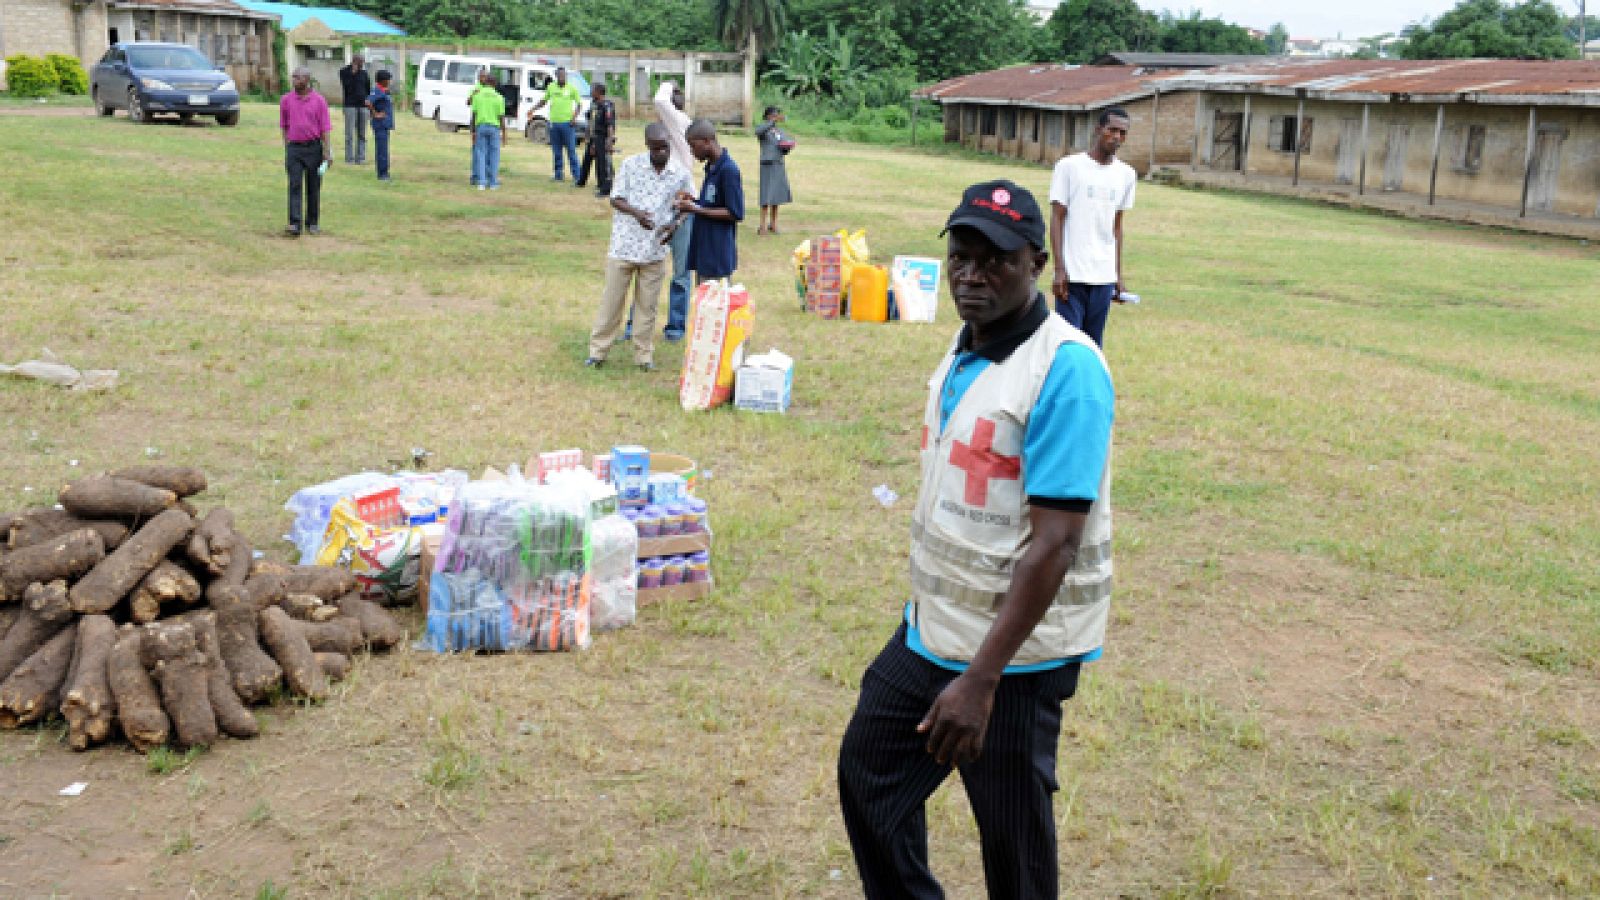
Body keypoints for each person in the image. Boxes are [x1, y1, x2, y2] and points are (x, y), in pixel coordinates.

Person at [837, 180, 1116, 900]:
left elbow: (1055, 543)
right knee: (870, 774)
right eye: (961, 257)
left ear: (1036, 261)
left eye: (995, 260)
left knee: (1013, 842)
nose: (972, 275)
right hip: (933, 636)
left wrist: (982, 681)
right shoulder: (966, 350)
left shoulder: (1067, 369)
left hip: (1013, 661)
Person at [584, 124, 693, 373]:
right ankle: (598, 351)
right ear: (648, 146)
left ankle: (643, 356)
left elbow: (688, 204)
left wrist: (675, 225)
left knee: (648, 307)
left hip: (655, 250)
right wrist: (636, 214)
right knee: (612, 302)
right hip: (624, 246)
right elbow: (616, 198)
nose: (661, 153)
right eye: (656, 148)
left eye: (665, 147)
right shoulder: (631, 166)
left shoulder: (680, 172)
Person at [1048, 107, 1136, 348]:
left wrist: (1117, 275)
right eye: (1112, 130)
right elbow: (1057, 218)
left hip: (1103, 276)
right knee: (1067, 344)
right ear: (1099, 130)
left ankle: (1088, 386)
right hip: (1073, 275)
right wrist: (1059, 269)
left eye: (1123, 133)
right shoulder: (1069, 167)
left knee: (1092, 346)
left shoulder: (1126, 175)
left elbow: (1117, 228)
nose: (1117, 137)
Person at [675, 119, 744, 288]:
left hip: (718, 255)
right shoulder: (712, 167)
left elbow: (735, 212)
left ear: (707, 141)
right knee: (704, 307)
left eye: (693, 146)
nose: (692, 152)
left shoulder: (728, 170)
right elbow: (712, 204)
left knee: (715, 308)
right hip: (705, 251)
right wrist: (694, 201)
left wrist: (696, 209)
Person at [652, 80, 695, 340]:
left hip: (679, 206)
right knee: (650, 269)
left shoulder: (679, 121)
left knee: (675, 273)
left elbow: (659, 100)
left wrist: (667, 83)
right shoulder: (672, 128)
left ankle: (675, 328)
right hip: (667, 203)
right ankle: (646, 324)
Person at [279, 66, 332, 237]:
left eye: (298, 77)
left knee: (313, 186)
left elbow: (325, 128)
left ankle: (313, 222)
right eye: (293, 77)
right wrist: (287, 146)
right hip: (294, 148)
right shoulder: (286, 100)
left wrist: (326, 151)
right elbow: (284, 125)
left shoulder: (319, 101)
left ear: (307, 80)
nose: (294, 80)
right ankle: (295, 223)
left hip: (314, 148)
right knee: (294, 184)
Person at [531, 67, 583, 182]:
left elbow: (579, 104)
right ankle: (558, 174)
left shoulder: (572, 89)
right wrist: (533, 109)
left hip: (567, 125)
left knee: (571, 150)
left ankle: (577, 176)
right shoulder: (551, 87)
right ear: (556, 76)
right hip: (554, 124)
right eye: (560, 76)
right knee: (556, 151)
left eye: (564, 76)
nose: (562, 78)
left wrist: (574, 118)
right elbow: (544, 101)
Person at [753, 105, 793, 235]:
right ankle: (762, 225)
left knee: (777, 195)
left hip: (778, 163)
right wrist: (771, 122)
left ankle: (773, 224)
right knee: (766, 195)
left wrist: (787, 147)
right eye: (773, 115)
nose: (776, 117)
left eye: (777, 115)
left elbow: (783, 144)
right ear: (768, 116)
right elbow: (758, 132)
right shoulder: (764, 129)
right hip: (767, 164)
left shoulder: (779, 132)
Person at [575, 82, 617, 197]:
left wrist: (609, 140)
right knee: (587, 160)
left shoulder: (607, 106)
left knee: (602, 164)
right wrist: (588, 137)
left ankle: (606, 189)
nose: (590, 91)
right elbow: (590, 120)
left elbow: (610, 125)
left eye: (592, 90)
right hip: (594, 137)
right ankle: (581, 181)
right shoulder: (594, 104)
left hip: (603, 137)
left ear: (598, 92)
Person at [468, 69, 506, 191]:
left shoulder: (477, 96)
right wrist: (504, 133)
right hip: (494, 128)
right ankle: (493, 182)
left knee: (480, 154)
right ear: (494, 84)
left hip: (481, 127)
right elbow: (501, 117)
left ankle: (482, 182)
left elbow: (474, 115)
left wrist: (473, 131)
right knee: (494, 155)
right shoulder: (499, 98)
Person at [337, 54, 370, 165]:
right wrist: (353, 73)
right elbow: (346, 86)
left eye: (363, 62)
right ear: (354, 61)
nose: (362, 65)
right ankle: (349, 159)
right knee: (349, 134)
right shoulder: (344, 72)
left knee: (362, 134)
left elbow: (367, 89)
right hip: (350, 106)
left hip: (363, 106)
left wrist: (368, 103)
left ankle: (360, 158)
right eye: (361, 62)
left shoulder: (364, 73)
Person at [365, 69, 395, 182]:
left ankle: (384, 172)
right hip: (380, 124)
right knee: (382, 150)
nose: (389, 81)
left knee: (384, 149)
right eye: (388, 79)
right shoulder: (377, 90)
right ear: (383, 81)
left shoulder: (384, 90)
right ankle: (382, 174)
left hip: (385, 124)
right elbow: (368, 102)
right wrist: (375, 113)